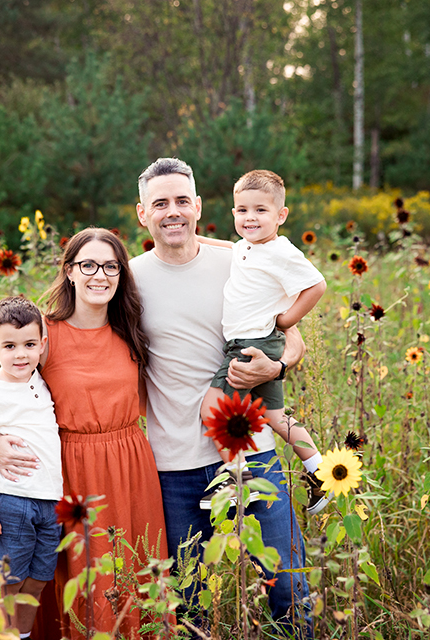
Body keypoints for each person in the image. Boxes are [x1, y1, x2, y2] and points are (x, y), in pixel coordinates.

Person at [130, 157, 313, 637]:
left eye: (182, 201)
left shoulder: (243, 259)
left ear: (198, 206)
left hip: (253, 455)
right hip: (175, 467)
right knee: (189, 603)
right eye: (161, 203)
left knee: (288, 589)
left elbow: (292, 338)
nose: (173, 211)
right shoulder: (126, 280)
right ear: (142, 213)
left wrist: (278, 366)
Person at [0, 228, 169, 640]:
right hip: (67, 469)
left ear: (122, 273)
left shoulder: (132, 331)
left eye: (110, 266)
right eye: (88, 265)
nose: (99, 275)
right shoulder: (45, 335)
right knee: (80, 574)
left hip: (129, 468)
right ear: (69, 270)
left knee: (133, 566)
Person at [196, 169, 329, 515]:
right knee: (273, 414)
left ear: (281, 215)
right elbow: (232, 247)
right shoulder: (248, 246)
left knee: (213, 409)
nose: (250, 218)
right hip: (257, 342)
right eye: (242, 210)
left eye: (260, 210)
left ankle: (237, 480)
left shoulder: (281, 252)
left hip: (250, 343)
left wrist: (287, 319)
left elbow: (316, 285)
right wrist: (195, 240)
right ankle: (320, 470)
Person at [0, 296, 63, 638]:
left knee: (36, 585)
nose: (21, 354)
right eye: (10, 346)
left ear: (42, 345)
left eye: (29, 345)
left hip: (48, 502)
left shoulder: (41, 381)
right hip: (10, 501)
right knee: (7, 587)